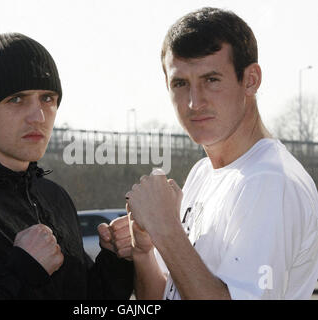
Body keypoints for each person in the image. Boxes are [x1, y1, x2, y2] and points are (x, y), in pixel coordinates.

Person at [0, 32, 134, 299]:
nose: (39, 116)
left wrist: (115, 260)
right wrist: (20, 272)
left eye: (47, 98)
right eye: (17, 99)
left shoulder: (54, 197)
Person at [126, 7, 318, 300]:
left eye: (211, 80)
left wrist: (166, 230)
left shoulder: (269, 181)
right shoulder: (203, 173)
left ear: (250, 80)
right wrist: (144, 252)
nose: (194, 102)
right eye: (180, 84)